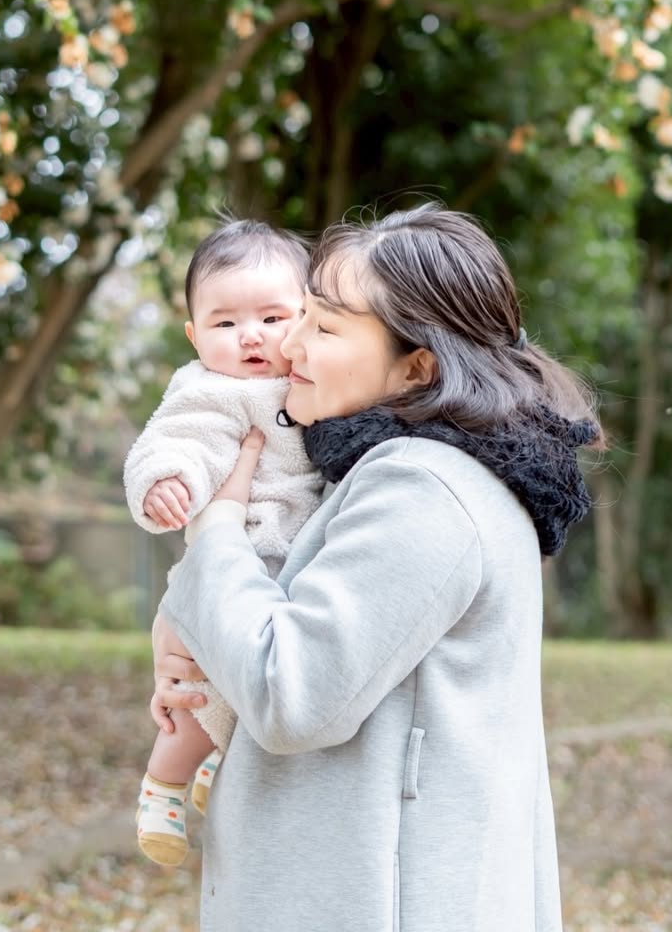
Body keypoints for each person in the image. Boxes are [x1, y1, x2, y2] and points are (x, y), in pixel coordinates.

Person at [150, 204, 600, 930]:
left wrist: (216, 532)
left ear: (417, 365)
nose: (286, 340)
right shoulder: (391, 470)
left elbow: (288, 691)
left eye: (323, 326)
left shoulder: (423, 488)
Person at [123, 218, 325, 866]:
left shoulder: (314, 384)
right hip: (226, 562)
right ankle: (165, 784)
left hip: (281, 564)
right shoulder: (208, 390)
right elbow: (168, 442)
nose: (251, 337)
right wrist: (165, 482)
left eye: (272, 318)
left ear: (307, 316)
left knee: (249, 682)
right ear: (193, 335)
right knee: (194, 686)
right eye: (225, 324)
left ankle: (213, 769)